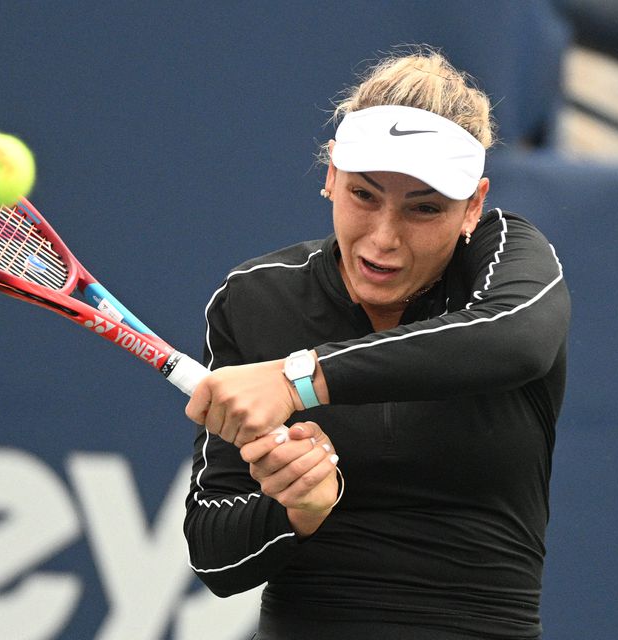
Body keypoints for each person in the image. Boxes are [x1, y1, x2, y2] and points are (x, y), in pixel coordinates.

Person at [183, 47, 570, 640]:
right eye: (364, 196)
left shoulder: (507, 259)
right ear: (331, 174)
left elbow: (517, 341)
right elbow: (213, 556)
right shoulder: (257, 298)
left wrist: (297, 378)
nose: (384, 238)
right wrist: (297, 509)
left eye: (424, 209)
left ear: (474, 204)